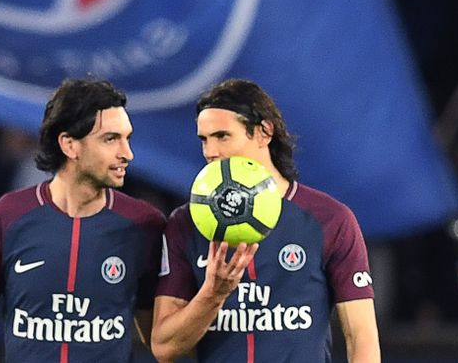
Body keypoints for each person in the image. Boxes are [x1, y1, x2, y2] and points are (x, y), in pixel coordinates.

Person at [0, 78, 166, 362]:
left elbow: (160, 340)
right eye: (110, 139)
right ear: (69, 145)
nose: (127, 153)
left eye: (127, 138)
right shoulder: (5, 217)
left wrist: (210, 295)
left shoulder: (145, 225)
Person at [152, 78, 380, 362]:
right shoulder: (184, 224)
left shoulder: (330, 219)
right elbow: (163, 347)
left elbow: (361, 336)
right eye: (204, 139)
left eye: (222, 136)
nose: (210, 151)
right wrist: (212, 295)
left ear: (264, 132)